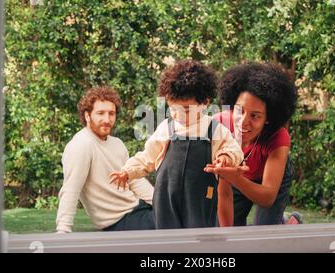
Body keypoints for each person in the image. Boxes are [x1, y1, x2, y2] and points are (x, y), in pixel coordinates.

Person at [110, 60, 244, 229]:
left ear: (205, 102)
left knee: (199, 236)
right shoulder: (166, 128)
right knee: (167, 237)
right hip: (166, 198)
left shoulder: (214, 129)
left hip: (201, 198)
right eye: (173, 108)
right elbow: (147, 157)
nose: (179, 115)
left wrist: (226, 157)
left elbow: (234, 150)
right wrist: (127, 172)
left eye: (186, 109)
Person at [205, 62, 301, 226]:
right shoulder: (218, 126)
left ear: (268, 118)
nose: (243, 122)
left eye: (255, 116)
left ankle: (290, 221)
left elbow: (267, 198)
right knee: (227, 226)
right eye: (239, 110)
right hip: (236, 178)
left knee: (265, 235)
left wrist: (235, 177)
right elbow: (223, 192)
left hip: (268, 181)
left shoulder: (278, 138)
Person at [56, 86, 155, 233]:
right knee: (178, 226)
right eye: (100, 113)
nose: (107, 119)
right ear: (87, 116)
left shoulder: (117, 144)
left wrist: (159, 203)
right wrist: (62, 231)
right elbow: (71, 189)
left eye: (111, 113)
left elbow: (134, 181)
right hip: (119, 221)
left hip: (139, 211)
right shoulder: (81, 145)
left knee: (182, 216)